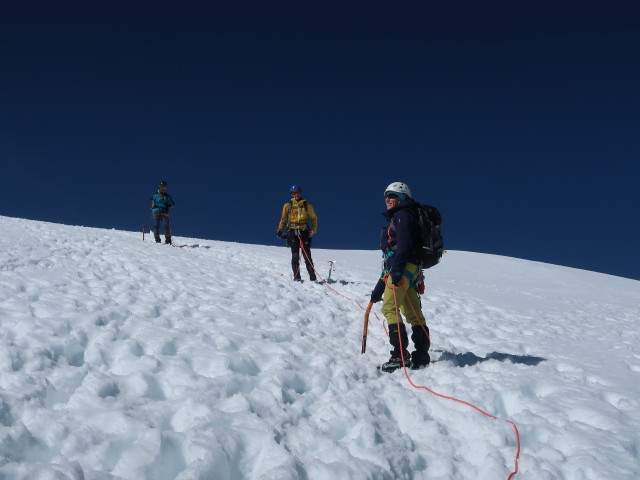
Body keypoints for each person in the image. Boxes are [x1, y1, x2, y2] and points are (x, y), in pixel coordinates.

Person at [370, 181, 430, 372]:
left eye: (392, 195)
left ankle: (399, 356)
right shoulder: (404, 215)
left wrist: (396, 270)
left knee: (390, 308)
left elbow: (403, 244)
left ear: (403, 197)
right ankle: (421, 356)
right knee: (412, 311)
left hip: (402, 267)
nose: (388, 199)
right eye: (386, 196)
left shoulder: (402, 215)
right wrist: (380, 286)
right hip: (409, 269)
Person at [277, 184, 318, 282]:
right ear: (291, 194)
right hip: (292, 231)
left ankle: (313, 278)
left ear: (300, 193)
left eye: (297, 192)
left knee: (307, 255)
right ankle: (297, 277)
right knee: (295, 255)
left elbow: (313, 218)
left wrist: (314, 229)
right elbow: (283, 219)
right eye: (294, 193)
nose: (296, 195)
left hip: (304, 232)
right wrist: (280, 230)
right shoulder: (287, 206)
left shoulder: (307, 205)